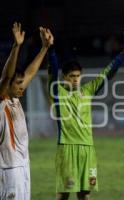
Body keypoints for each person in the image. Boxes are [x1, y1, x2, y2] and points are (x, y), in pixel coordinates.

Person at [48, 29, 124, 200]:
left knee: (85, 195)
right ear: (64, 77)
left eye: (78, 76)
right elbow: (53, 71)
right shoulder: (58, 92)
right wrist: (50, 49)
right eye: (71, 76)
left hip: (88, 148)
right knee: (63, 195)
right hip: (67, 147)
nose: (76, 79)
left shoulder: (88, 90)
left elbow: (108, 73)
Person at [0, 23, 53, 200]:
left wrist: (44, 48)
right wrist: (17, 46)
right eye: (18, 84)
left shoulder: (14, 99)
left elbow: (30, 72)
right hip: (9, 169)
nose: (22, 87)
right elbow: (7, 76)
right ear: (8, 86)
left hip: (23, 165)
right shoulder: (2, 101)